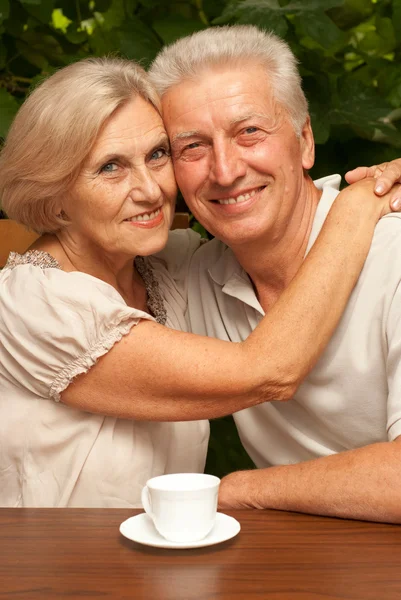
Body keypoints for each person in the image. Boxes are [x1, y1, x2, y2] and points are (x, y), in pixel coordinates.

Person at [149, 25, 401, 523]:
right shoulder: (188, 274)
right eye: (192, 147)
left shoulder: (393, 253)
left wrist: (242, 490)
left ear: (304, 140)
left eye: (249, 133)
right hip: (296, 564)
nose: (224, 171)